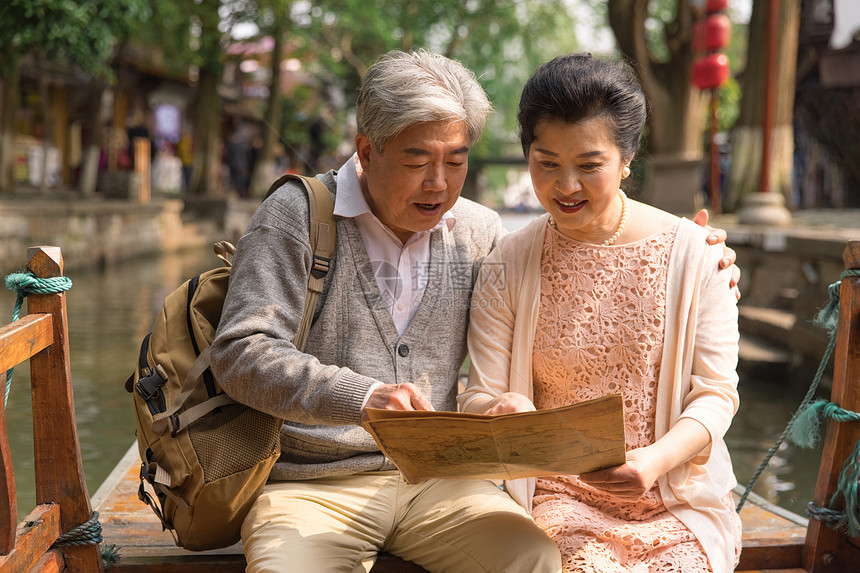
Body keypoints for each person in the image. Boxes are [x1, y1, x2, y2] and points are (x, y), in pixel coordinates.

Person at [210, 49, 738, 573]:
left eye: (456, 161)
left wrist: (704, 262)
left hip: (441, 483)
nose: (438, 183)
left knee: (530, 558)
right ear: (366, 152)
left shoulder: (480, 232)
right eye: (418, 161)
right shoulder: (296, 216)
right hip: (312, 486)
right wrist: (362, 397)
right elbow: (239, 351)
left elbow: (586, 269)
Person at [460, 53, 743, 573]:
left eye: (589, 166)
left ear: (627, 157)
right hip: (555, 496)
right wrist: (504, 411)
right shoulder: (507, 261)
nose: (566, 186)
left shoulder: (696, 253)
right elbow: (481, 392)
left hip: (674, 498)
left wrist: (653, 461)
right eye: (547, 164)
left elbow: (716, 394)